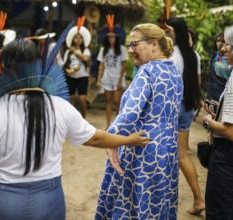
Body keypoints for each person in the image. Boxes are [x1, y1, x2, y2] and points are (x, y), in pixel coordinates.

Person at [0, 38, 150, 219]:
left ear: (3, 69)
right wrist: (127, 139)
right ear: (37, 66)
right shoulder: (59, 106)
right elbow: (93, 138)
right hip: (50, 202)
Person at [95, 23, 183, 219]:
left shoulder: (147, 72)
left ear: (153, 44)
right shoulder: (174, 71)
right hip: (168, 150)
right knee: (159, 202)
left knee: (133, 204)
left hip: (142, 149)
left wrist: (111, 140)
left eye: (135, 45)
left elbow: (129, 114)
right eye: (129, 45)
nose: (130, 50)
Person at [165, 17, 204, 215]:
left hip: (171, 108)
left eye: (169, 30)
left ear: (177, 32)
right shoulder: (194, 55)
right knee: (182, 155)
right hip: (187, 107)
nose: (166, 33)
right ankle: (198, 199)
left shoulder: (170, 55)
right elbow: (197, 83)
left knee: (163, 154)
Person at [203, 25, 233, 220]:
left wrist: (209, 121)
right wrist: (220, 110)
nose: (224, 49)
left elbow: (230, 132)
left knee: (219, 210)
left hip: (226, 156)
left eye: (229, 45)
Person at [97, 15, 128, 129]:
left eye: (113, 37)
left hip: (117, 77)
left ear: (117, 38)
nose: (111, 39)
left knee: (117, 101)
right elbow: (101, 65)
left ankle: (118, 124)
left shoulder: (122, 49)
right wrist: (99, 79)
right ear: (106, 38)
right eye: (109, 37)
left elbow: (124, 65)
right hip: (107, 77)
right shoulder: (103, 50)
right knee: (108, 101)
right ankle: (107, 122)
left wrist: (120, 80)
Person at [63, 17, 91, 118]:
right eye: (76, 37)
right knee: (72, 99)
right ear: (73, 39)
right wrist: (68, 71)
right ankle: (70, 120)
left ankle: (83, 119)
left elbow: (85, 59)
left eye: (80, 38)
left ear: (83, 39)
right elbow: (64, 65)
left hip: (83, 77)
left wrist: (75, 51)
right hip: (70, 77)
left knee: (83, 99)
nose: (78, 39)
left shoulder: (86, 50)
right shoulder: (67, 51)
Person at [206, 32, 232, 102]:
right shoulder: (215, 55)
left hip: (224, 92)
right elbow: (211, 76)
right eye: (218, 41)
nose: (220, 44)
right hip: (213, 90)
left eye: (223, 41)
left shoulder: (230, 58)